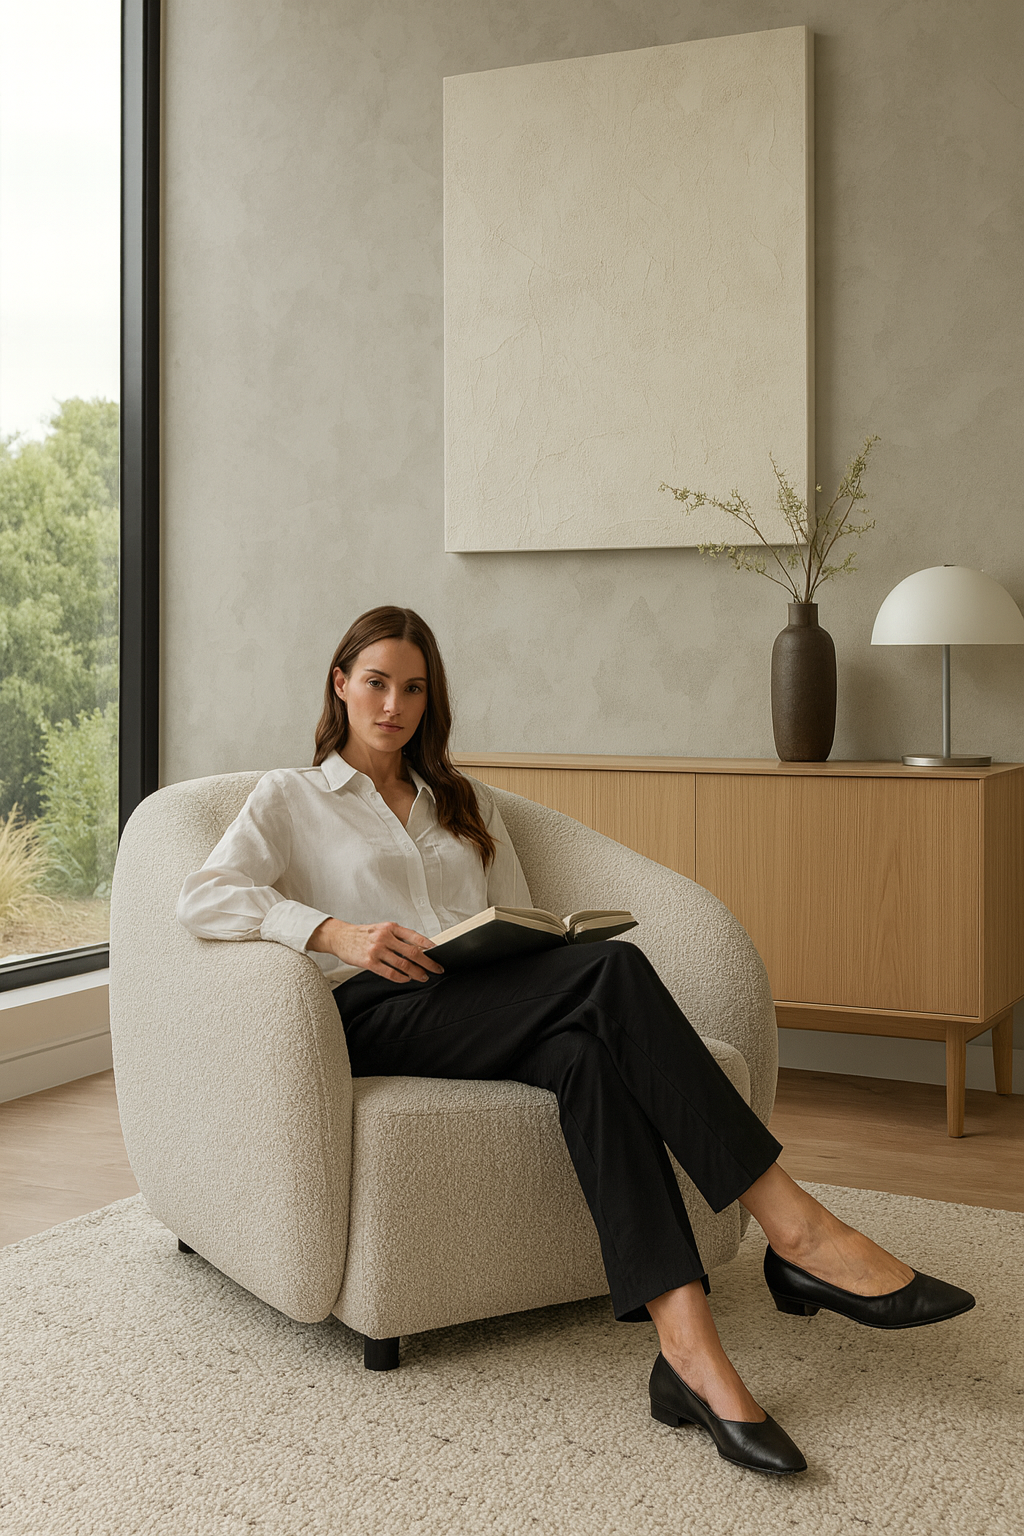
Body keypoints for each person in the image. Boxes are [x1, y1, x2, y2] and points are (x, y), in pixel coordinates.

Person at [178, 605, 975, 1476]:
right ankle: (800, 1231)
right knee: (614, 971)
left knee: (586, 1053)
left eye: (412, 688)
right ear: (341, 684)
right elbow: (204, 898)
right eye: (376, 682)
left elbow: (516, 915)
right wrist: (334, 932)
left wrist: (532, 945)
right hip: (377, 1011)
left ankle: (689, 1358)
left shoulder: (461, 800)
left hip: (482, 999)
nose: (393, 704)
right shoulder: (290, 797)